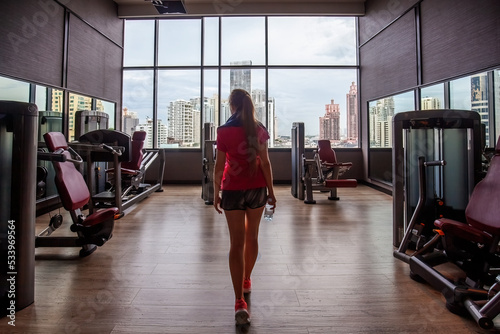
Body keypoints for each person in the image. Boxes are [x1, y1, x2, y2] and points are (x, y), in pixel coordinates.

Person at [213, 88, 276, 326]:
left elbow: (219, 166)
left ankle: (239, 300)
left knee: (236, 244)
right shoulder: (259, 130)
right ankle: (247, 279)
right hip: (257, 188)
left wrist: (216, 192)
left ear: (231, 106)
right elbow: (266, 163)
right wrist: (271, 191)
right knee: (253, 237)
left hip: (231, 190)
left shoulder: (223, 131)